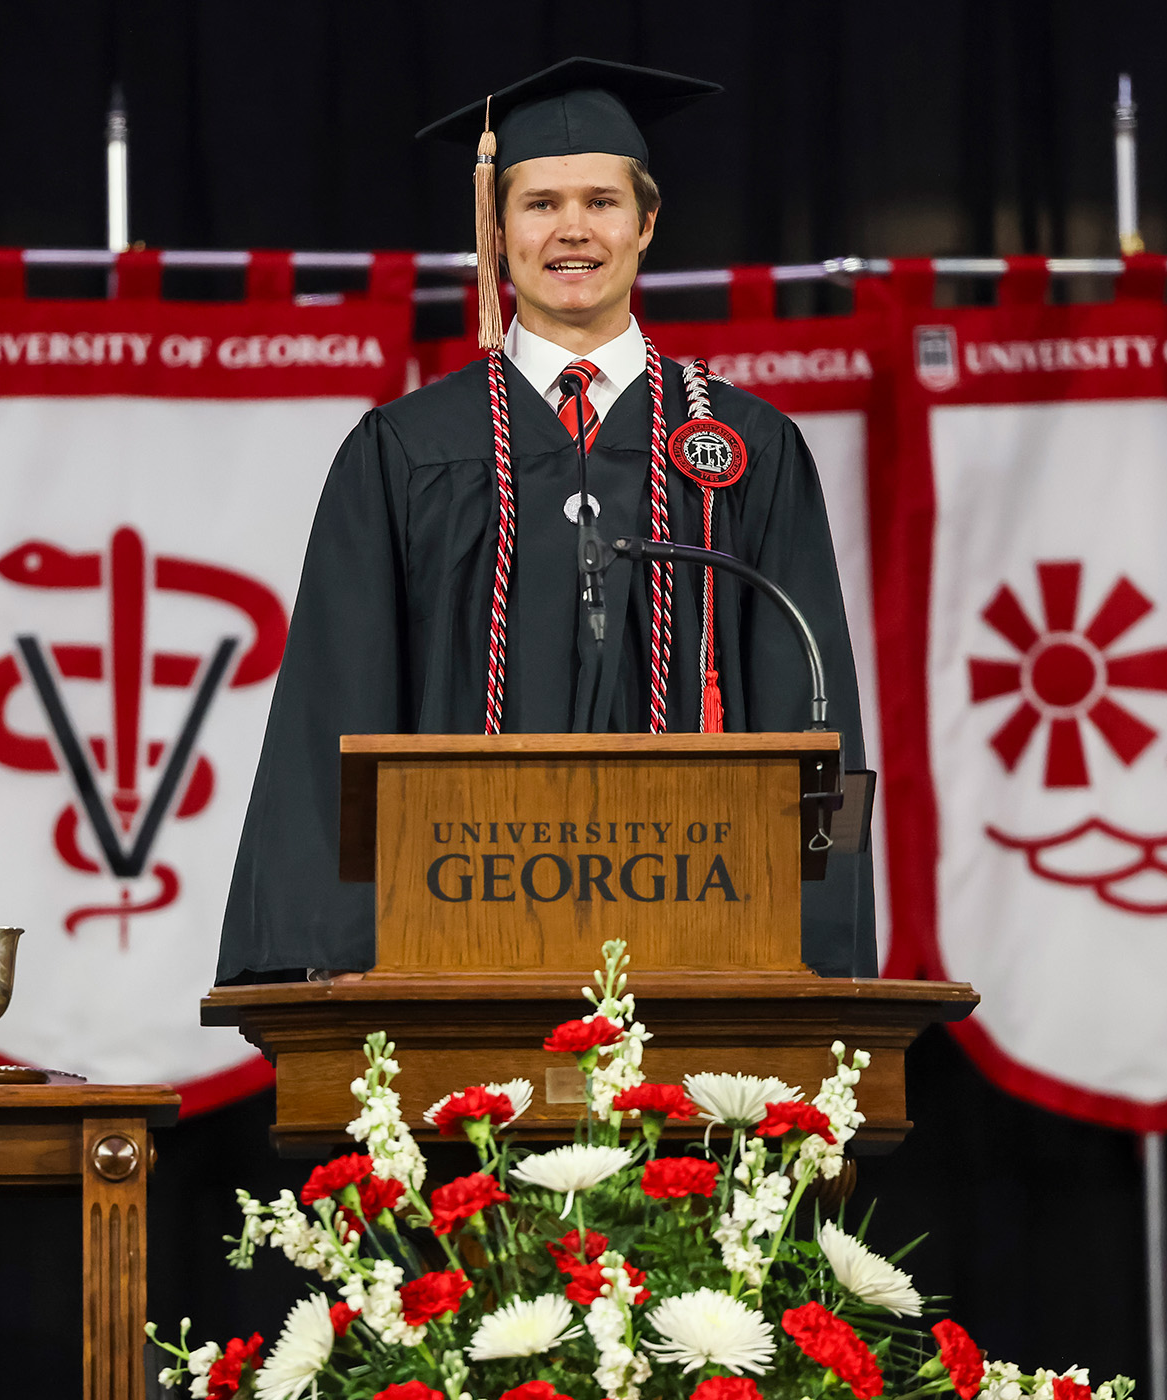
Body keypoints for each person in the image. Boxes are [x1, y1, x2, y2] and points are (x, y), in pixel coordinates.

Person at [218, 58, 874, 982]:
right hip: (453, 940)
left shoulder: (743, 449)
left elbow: (811, 711)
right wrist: (332, 964)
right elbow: (336, 703)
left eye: (602, 202)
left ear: (646, 223)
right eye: (540, 204)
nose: (573, 230)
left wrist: (820, 959)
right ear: (497, 230)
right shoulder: (407, 451)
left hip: (703, 939)